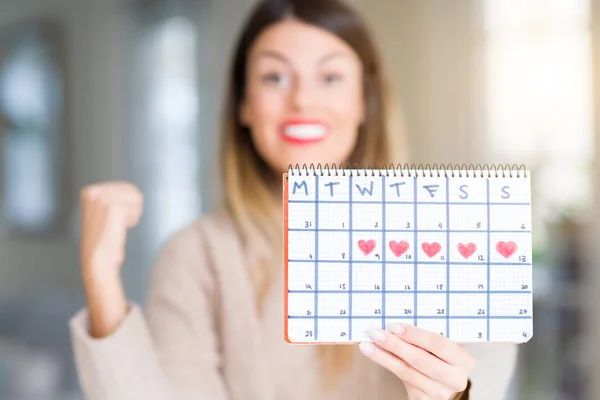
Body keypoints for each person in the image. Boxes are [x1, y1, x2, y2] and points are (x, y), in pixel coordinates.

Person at [69, 0, 519, 399]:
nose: (302, 99)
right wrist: (101, 277)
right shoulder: (196, 256)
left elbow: (485, 382)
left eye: (329, 76)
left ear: (365, 101)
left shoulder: (454, 235)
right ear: (244, 104)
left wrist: (451, 396)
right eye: (275, 76)